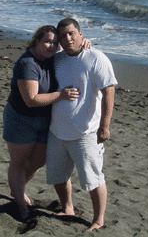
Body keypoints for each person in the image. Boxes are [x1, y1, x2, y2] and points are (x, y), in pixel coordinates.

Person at [46, 18, 117, 231]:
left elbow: (109, 91)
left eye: (71, 34)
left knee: (93, 179)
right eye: (63, 36)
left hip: (86, 133)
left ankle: (98, 219)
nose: (68, 39)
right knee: (58, 176)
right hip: (57, 131)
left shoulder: (96, 58)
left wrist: (105, 126)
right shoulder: (57, 59)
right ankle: (68, 208)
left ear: (80, 34)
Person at [2, 25, 80, 220]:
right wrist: (61, 95)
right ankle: (21, 206)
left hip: (45, 120)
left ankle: (17, 187)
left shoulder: (53, 58)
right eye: (47, 41)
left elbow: (74, 51)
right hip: (21, 119)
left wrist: (85, 43)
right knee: (19, 162)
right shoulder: (27, 63)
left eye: (55, 43)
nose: (51, 46)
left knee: (39, 161)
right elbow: (31, 99)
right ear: (36, 41)